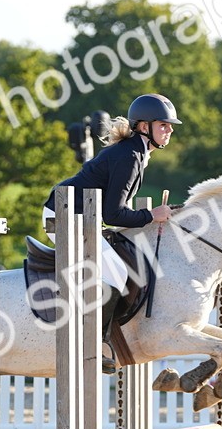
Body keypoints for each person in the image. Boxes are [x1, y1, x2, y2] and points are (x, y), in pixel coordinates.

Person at [43, 93, 178, 372]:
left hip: (83, 216)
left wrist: (150, 218)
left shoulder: (136, 152)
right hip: (65, 216)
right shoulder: (129, 155)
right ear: (144, 127)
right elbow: (114, 214)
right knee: (116, 272)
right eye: (163, 124)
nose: (170, 130)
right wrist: (152, 215)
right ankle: (95, 345)